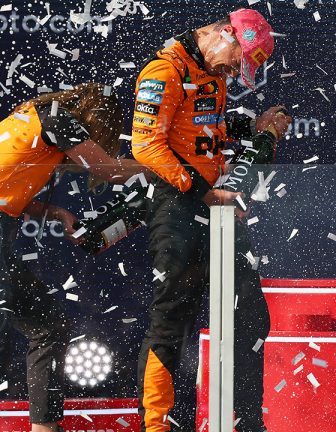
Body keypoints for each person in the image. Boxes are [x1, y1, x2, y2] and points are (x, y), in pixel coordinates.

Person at [130, 8, 291, 432]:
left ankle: (247, 421)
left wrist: (253, 126)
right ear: (225, 35)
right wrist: (203, 192)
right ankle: (156, 425)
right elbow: (146, 147)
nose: (233, 72)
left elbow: (206, 129)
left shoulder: (210, 70)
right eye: (236, 63)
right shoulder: (164, 71)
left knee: (250, 314)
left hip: (215, 202)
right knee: (171, 317)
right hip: (176, 204)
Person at [0, 83, 146, 432]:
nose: (96, 140)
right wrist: (169, 168)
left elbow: (8, 189)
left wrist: (58, 213)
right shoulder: (56, 120)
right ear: (94, 117)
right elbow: (108, 169)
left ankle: (45, 427)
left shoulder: (29, 119)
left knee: (46, 325)